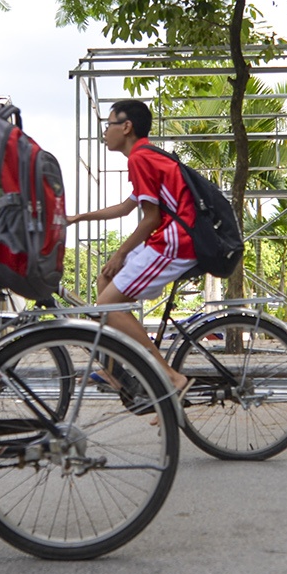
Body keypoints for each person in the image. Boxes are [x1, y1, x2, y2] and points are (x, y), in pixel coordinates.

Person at [69, 100, 197, 396]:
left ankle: (166, 375)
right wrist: (79, 218)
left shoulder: (140, 158)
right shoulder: (145, 156)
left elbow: (150, 218)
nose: (105, 131)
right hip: (169, 238)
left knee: (107, 304)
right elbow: (127, 208)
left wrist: (120, 253)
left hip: (175, 242)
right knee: (106, 282)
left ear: (126, 127)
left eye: (109, 123)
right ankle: (113, 370)